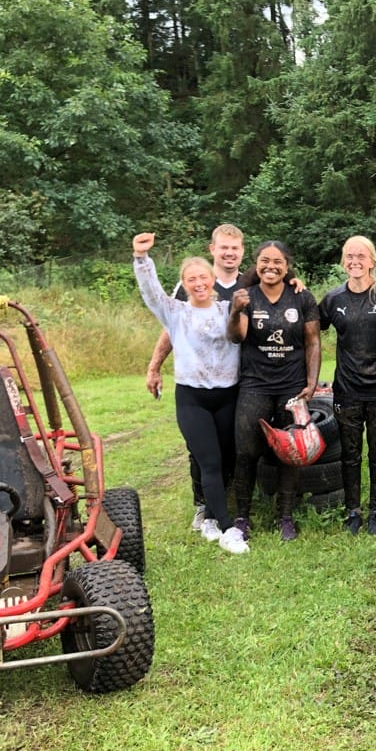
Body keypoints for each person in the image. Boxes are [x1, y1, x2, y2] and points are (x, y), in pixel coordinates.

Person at [131, 232, 245, 553]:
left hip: (228, 395)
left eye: (203, 277)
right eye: (191, 279)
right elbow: (151, 291)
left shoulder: (227, 309)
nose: (198, 283)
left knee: (227, 460)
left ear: (212, 280)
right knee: (209, 461)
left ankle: (209, 516)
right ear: (184, 283)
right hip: (193, 398)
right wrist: (142, 258)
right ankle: (227, 528)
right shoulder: (175, 312)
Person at [226, 240, 321, 544]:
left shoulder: (302, 297)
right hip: (255, 384)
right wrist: (235, 311)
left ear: (286, 266)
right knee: (246, 451)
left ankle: (286, 516)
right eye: (265, 261)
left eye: (277, 261)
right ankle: (242, 518)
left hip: (291, 386)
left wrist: (311, 381)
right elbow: (237, 336)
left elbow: (313, 341)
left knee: (290, 452)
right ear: (256, 265)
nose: (271, 266)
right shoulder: (246, 296)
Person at [319, 236, 376, 537]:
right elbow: (310, 326)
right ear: (343, 261)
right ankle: (353, 511)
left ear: (372, 261)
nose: (355, 261)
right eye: (349, 256)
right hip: (347, 391)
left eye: (361, 256)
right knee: (350, 453)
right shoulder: (333, 299)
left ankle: (375, 512)